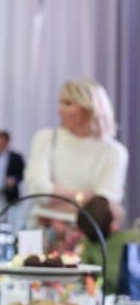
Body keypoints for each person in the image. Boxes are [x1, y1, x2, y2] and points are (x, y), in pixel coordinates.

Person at [24, 80, 128, 218]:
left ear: (89, 109)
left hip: (88, 235)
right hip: (37, 227)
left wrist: (53, 198)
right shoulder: (45, 138)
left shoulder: (115, 152)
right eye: (60, 102)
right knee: (27, 239)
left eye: (67, 103)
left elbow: (103, 206)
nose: (59, 109)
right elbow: (37, 190)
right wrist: (84, 196)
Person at [78, 196, 140, 295]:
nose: (116, 202)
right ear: (113, 225)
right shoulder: (132, 238)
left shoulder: (87, 245)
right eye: (113, 205)